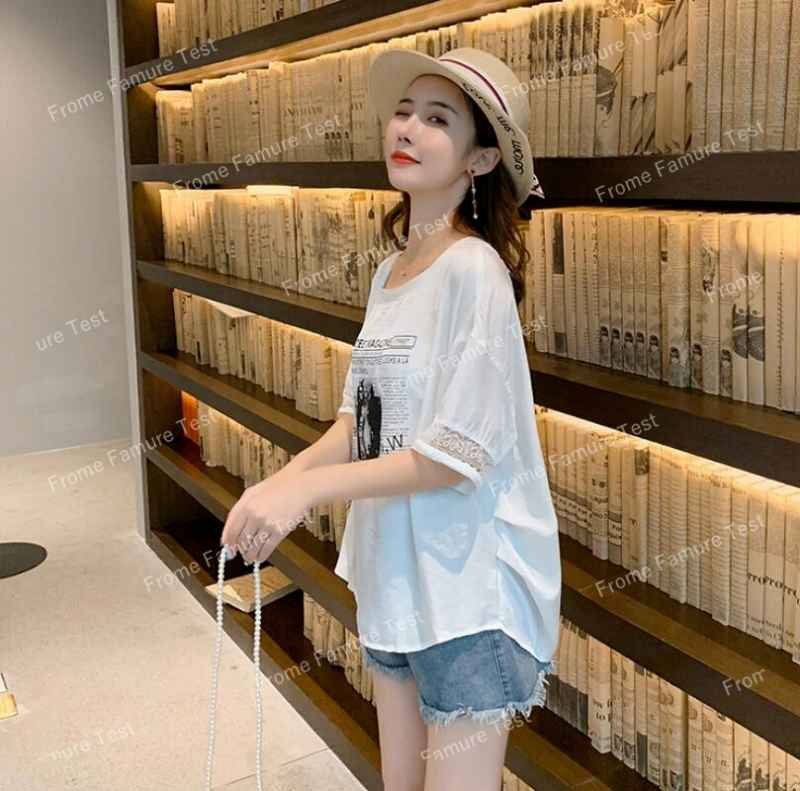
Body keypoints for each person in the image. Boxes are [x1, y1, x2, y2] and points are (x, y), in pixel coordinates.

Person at [220, 47, 561, 791]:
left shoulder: (475, 272)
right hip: (396, 576)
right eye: (403, 111)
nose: (406, 127)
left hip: (466, 593)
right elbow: (362, 423)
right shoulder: (391, 272)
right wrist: (280, 483)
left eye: (437, 119)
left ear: (478, 159)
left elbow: (452, 455)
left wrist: (307, 492)